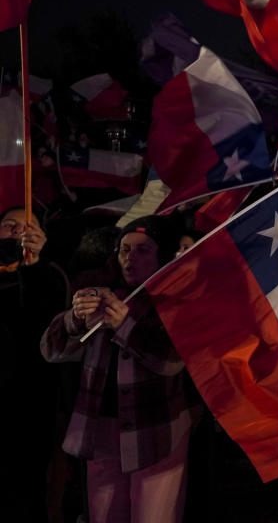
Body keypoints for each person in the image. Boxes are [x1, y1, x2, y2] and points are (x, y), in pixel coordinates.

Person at [40, 216, 199, 523]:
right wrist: (74, 320)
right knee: (104, 515)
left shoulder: (173, 301)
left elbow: (170, 360)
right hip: (102, 431)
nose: (130, 257)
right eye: (125, 249)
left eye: (143, 250)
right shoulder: (102, 293)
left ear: (162, 255)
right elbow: (50, 350)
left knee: (153, 515)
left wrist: (124, 326)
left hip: (156, 432)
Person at [0, 207, 70, 521]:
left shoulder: (51, 275)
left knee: (24, 492)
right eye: (8, 225)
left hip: (27, 403)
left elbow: (47, 323)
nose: (17, 231)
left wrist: (33, 264)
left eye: (27, 226)